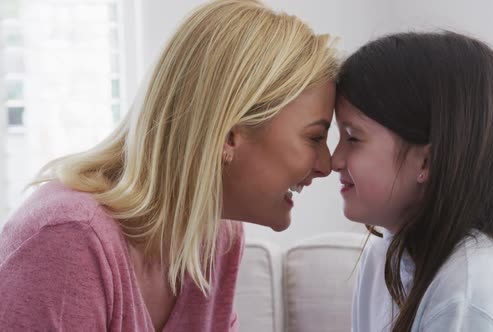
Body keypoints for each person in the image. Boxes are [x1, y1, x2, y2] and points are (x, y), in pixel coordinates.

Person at [0, 0, 338, 331]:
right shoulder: (68, 239)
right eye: (314, 138)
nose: (328, 164)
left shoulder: (215, 235)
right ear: (228, 135)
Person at [332, 31, 493, 331]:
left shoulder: (469, 291)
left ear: (425, 161)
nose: (334, 160)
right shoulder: (381, 261)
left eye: (353, 138)